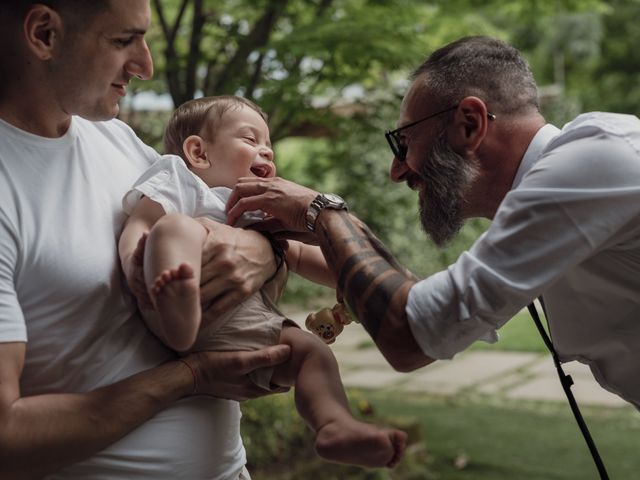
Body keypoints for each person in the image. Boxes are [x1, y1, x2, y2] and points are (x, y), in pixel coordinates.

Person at [226, 35, 640, 410]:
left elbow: (410, 335)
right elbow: (431, 303)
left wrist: (322, 212)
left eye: (403, 142)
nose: (396, 170)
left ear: (469, 124)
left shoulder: (592, 161)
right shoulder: (571, 180)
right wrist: (335, 227)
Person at [0, 1, 293, 478]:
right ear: (43, 34)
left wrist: (263, 251)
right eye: (123, 41)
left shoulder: (116, 140)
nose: (145, 65)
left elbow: (214, 217)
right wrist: (189, 378)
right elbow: (5, 438)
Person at [118, 94, 407, 469]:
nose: (267, 152)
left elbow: (299, 255)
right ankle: (179, 306)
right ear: (198, 153)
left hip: (242, 324)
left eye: (268, 144)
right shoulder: (181, 179)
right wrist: (130, 263)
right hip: (171, 294)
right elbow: (140, 223)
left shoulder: (258, 208)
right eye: (251, 140)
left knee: (311, 354)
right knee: (175, 227)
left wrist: (351, 275)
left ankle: (334, 425)